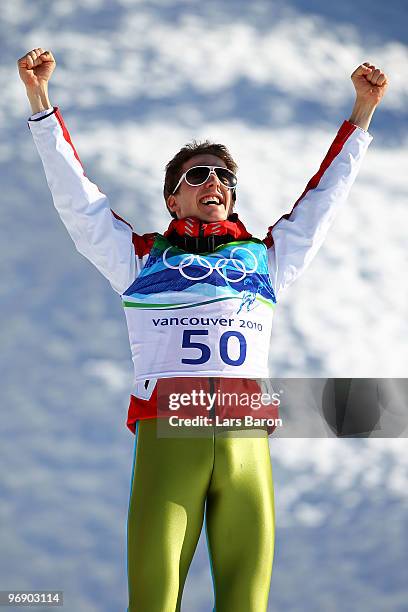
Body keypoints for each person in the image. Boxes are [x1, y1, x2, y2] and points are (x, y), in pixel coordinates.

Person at [18, 47, 388, 612]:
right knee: (154, 601)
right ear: (173, 197)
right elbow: (80, 205)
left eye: (225, 176)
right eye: (197, 174)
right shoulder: (140, 260)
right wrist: (41, 103)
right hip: (170, 439)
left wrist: (361, 113)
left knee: (247, 604)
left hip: (246, 447)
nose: (213, 181)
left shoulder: (266, 258)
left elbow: (321, 205)